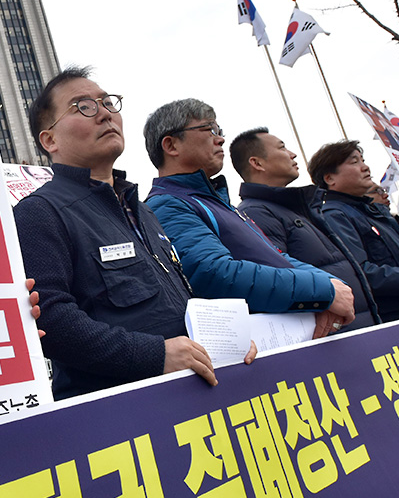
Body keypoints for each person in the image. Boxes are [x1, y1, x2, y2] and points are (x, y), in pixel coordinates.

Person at [13, 68, 247, 400]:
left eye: (107, 103)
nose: (105, 113)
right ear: (49, 140)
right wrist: (154, 354)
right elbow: (49, 320)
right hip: (120, 414)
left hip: (189, 396)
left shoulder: (143, 211)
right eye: (83, 106)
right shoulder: (40, 211)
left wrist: (229, 342)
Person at [142, 102, 355, 338]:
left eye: (219, 130)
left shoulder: (221, 205)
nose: (220, 139)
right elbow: (214, 274)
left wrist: (334, 286)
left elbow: (276, 256)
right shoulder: (167, 204)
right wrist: (322, 292)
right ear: (171, 145)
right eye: (209, 130)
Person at [231, 127, 380, 331]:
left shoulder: (295, 208)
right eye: (282, 148)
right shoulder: (256, 213)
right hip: (335, 337)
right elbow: (277, 278)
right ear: (257, 163)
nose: (292, 154)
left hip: (358, 327)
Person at [308, 141, 399, 323]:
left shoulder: (375, 213)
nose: (365, 167)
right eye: (354, 162)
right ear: (330, 179)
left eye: (363, 160)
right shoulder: (334, 216)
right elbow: (360, 273)